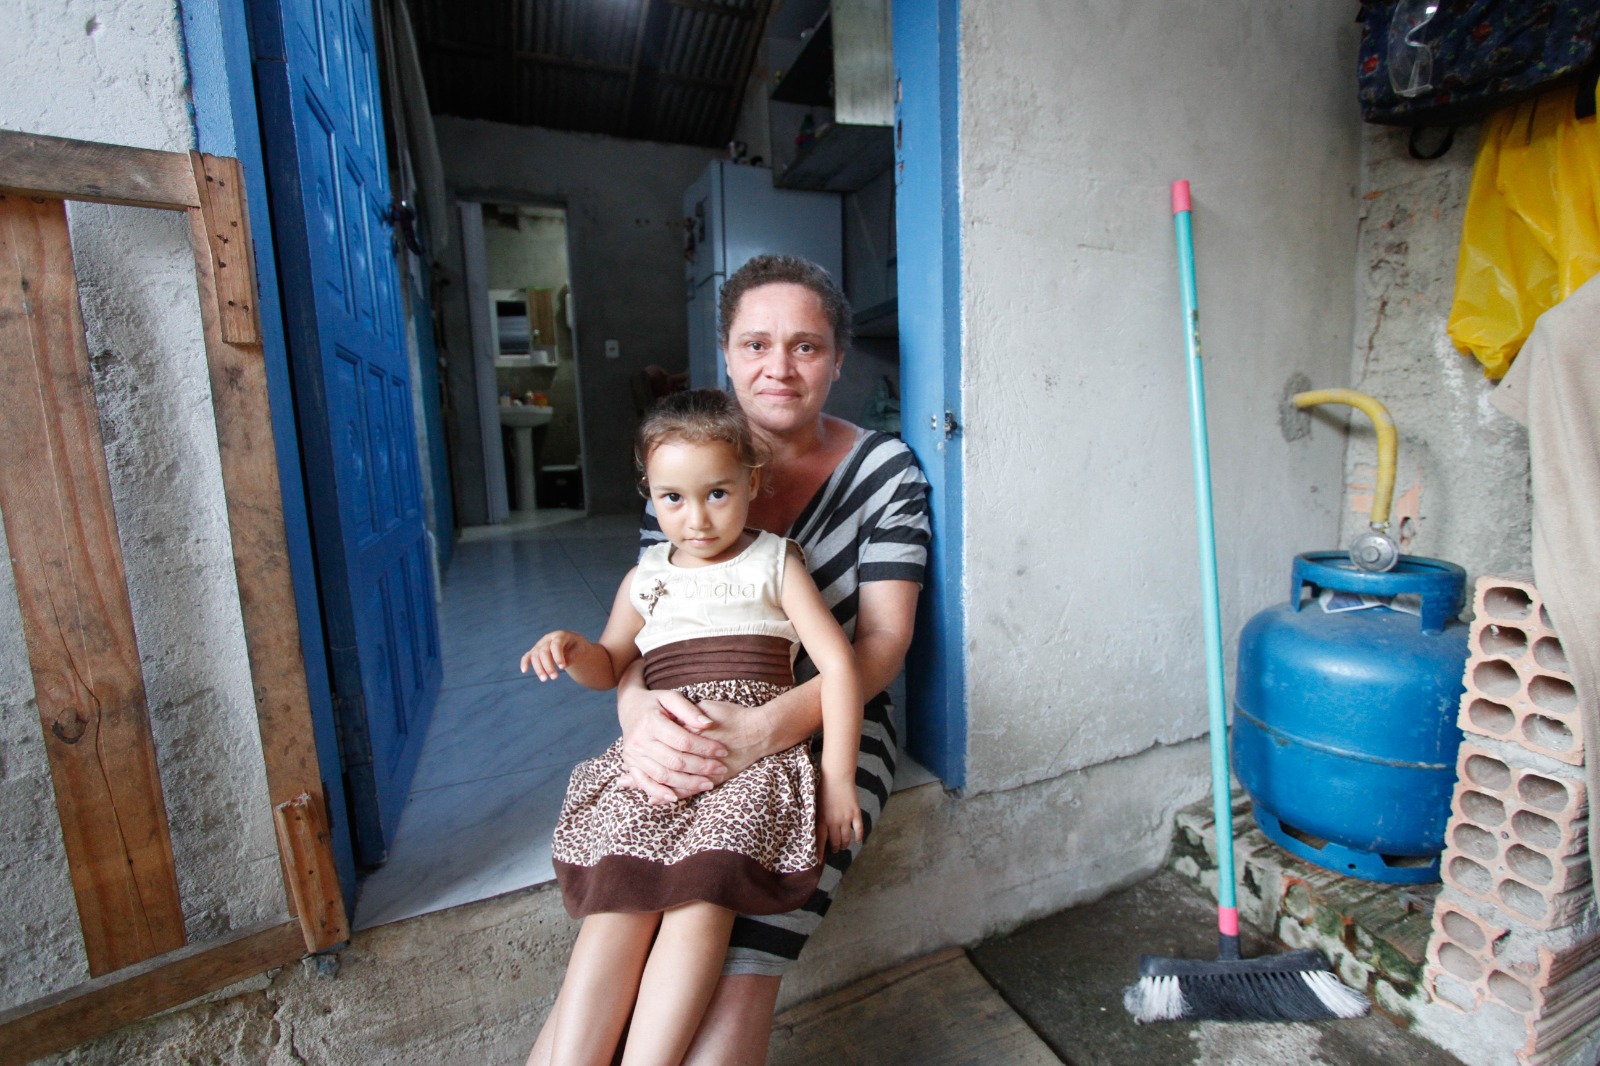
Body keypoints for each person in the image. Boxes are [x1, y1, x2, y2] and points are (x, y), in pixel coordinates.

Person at [528, 254, 931, 1065]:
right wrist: (641, 723)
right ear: (726, 356)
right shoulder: (689, 462)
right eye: (755, 345)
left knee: (740, 950)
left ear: (838, 361)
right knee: (629, 903)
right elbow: (649, 631)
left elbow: (880, 645)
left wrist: (769, 729)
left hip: (831, 717)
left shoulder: (884, 471)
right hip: (690, 715)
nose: (778, 367)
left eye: (806, 347)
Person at [521, 388, 866, 1066]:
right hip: (663, 757)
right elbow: (613, 661)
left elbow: (841, 669)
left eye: (717, 493)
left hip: (752, 763)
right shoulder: (645, 578)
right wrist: (573, 648)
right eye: (672, 498)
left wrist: (839, 777)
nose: (697, 518)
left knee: (703, 892)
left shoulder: (774, 562)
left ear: (750, 483)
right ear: (649, 494)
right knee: (619, 895)